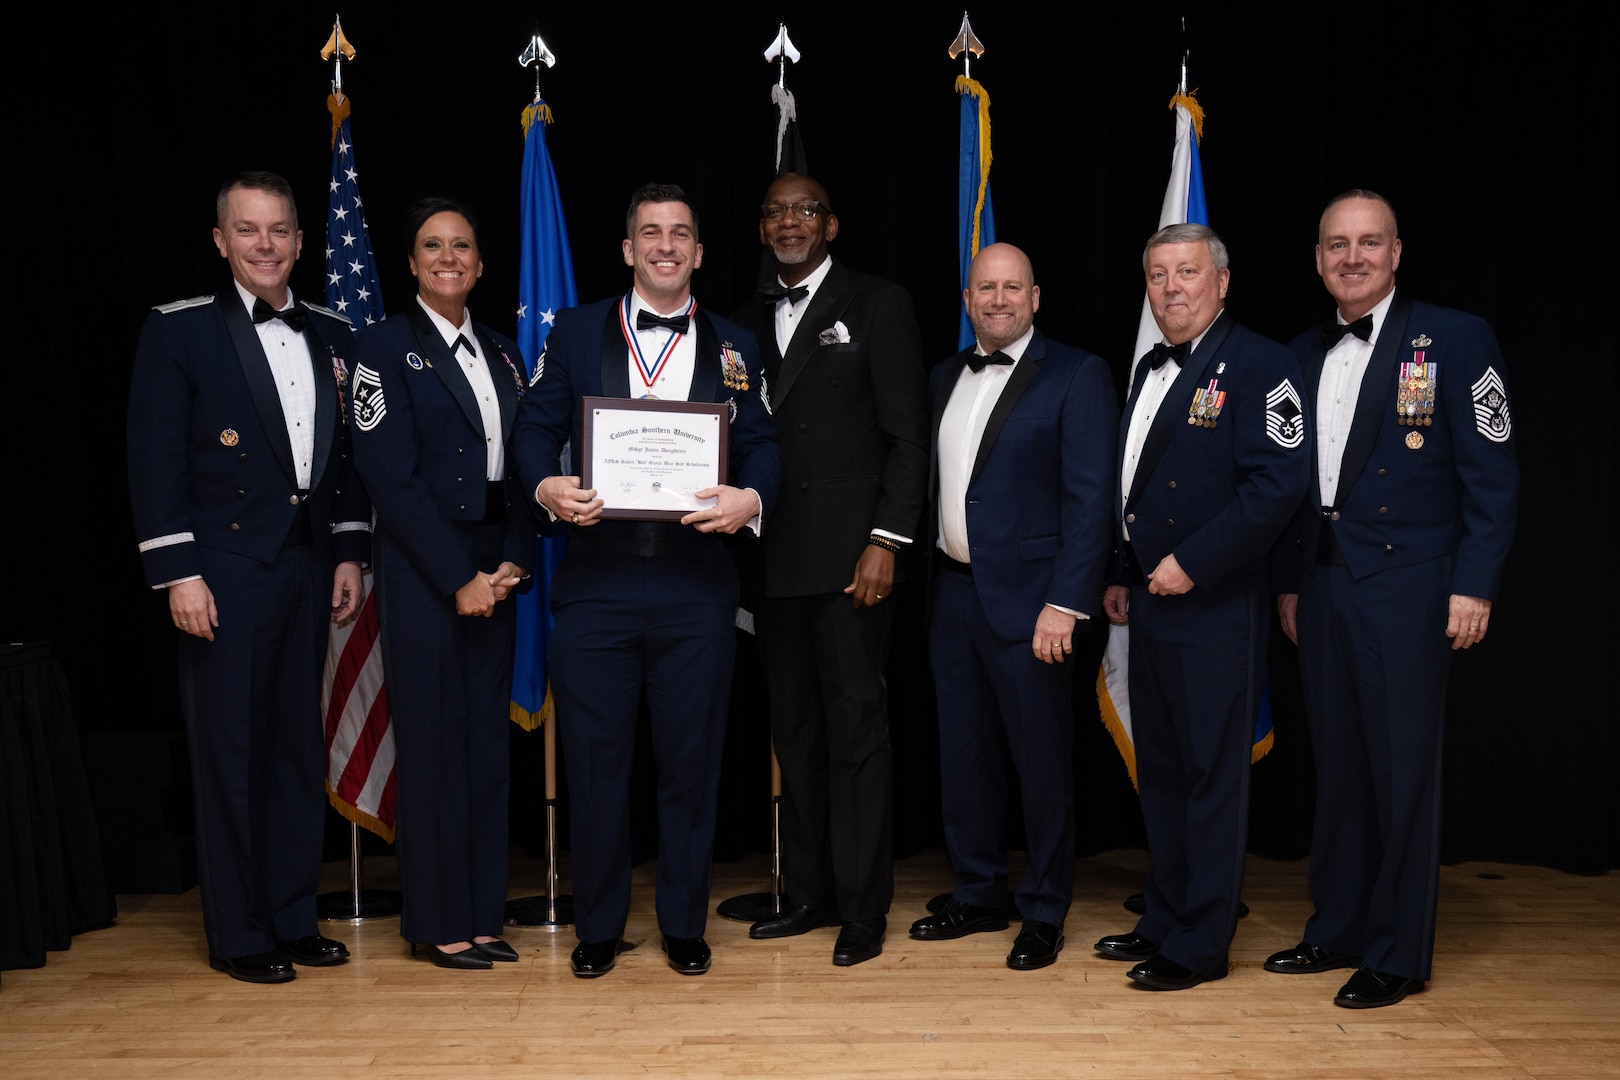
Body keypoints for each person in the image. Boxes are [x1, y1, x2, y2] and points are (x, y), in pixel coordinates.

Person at [513, 183, 781, 978]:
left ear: (698, 252)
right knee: (596, 767)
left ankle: (683, 924)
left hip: (697, 588)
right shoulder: (572, 332)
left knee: (691, 766)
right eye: (650, 233)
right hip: (595, 583)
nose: (666, 245)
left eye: (682, 234)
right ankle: (598, 928)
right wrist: (543, 488)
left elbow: (762, 442)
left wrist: (751, 496)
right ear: (629, 249)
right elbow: (534, 429)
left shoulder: (736, 344)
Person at [1265, 190, 1518, 1008]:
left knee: (1400, 770)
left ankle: (1398, 954)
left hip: (1412, 587)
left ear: (1398, 252)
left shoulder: (1455, 337)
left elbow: (1494, 472)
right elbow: (1287, 488)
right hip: (1327, 587)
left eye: (1369, 242)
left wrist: (1474, 582)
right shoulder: (1300, 351)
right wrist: (1291, 582)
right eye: (1337, 244)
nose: (1352, 257)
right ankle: (1336, 926)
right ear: (1317, 258)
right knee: (1337, 769)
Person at [126, 171, 368, 983]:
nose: (266, 245)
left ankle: (294, 916)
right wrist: (178, 574)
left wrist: (345, 550)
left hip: (305, 564)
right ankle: (240, 935)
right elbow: (154, 463)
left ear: (301, 242)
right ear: (221, 240)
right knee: (231, 754)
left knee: (298, 752)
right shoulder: (179, 331)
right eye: (248, 230)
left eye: (279, 231)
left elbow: (344, 469)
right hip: (223, 569)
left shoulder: (335, 330)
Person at [1093, 223, 1308, 991]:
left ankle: (1202, 943)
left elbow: (1277, 486)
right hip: (1150, 599)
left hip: (1215, 601)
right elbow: (1135, 489)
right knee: (1165, 773)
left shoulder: (1261, 364)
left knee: (1213, 777)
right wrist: (1123, 567)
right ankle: (1166, 914)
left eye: (1186, 272)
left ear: (1221, 280)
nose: (1171, 287)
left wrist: (1195, 561)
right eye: (1157, 275)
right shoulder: (1149, 367)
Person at [728, 173, 928, 967]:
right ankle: (807, 894)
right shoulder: (739, 321)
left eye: (803, 209)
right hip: (772, 562)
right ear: (761, 226)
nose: (789, 221)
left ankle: (862, 908)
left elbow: (908, 439)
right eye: (775, 209)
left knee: (857, 735)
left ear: (831, 224)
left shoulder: (879, 303)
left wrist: (886, 540)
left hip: (853, 563)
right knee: (796, 734)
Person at [908, 243, 1117, 971]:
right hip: (953, 594)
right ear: (967, 299)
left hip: (1035, 605)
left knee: (1040, 762)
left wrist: (1066, 602)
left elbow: (1093, 502)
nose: (998, 299)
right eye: (985, 288)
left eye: (1012, 287)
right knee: (963, 757)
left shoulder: (1078, 374)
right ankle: (979, 890)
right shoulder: (942, 376)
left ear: (1035, 297)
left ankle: (1045, 906)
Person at [348, 197, 531, 970]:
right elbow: (390, 480)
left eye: (462, 246)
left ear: (481, 264)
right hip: (429, 567)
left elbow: (527, 464)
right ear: (413, 262)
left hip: (497, 562)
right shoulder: (381, 350)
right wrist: (459, 577)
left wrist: (516, 555)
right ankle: (436, 922)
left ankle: (482, 915)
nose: (449, 257)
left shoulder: (504, 352)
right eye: (433, 246)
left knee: (486, 747)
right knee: (432, 748)